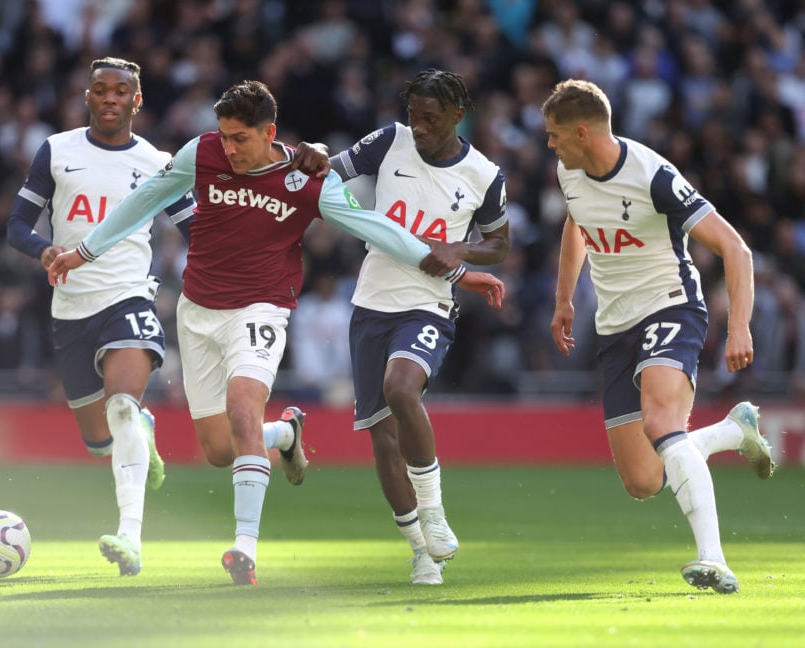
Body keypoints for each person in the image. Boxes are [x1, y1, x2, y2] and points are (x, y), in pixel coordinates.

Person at [48, 80, 505, 585]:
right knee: (220, 451)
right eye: (223, 136)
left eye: (240, 138)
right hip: (198, 312)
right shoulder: (200, 154)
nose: (229, 148)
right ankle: (285, 434)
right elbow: (146, 200)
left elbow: (375, 227)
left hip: (263, 310)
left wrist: (459, 271)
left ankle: (244, 548)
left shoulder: (306, 180)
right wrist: (84, 251)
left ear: (269, 132)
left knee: (244, 411)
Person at [542, 79, 775, 594]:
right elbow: (576, 225)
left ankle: (713, 559)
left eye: (555, 135)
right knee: (644, 480)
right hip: (614, 326)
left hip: (670, 307)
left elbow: (735, 249)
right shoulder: (569, 173)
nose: (550, 145)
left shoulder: (653, 177)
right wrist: (564, 299)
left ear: (582, 131)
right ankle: (733, 433)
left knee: (662, 420)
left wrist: (739, 326)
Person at [6, 57, 195, 577]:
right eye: (99, 90)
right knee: (99, 442)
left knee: (120, 409)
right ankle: (141, 427)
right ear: (87, 97)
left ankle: (130, 537)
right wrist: (44, 250)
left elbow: (196, 228)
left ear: (137, 101)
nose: (109, 98)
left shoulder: (160, 161)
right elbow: (18, 224)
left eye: (120, 91)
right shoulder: (57, 151)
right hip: (71, 308)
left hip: (129, 297)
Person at [326, 69, 510, 585]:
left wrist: (459, 250)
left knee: (402, 388)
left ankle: (433, 510)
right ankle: (420, 551)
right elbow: (332, 172)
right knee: (383, 441)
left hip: (428, 303)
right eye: (414, 116)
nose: (420, 127)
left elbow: (500, 244)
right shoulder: (389, 140)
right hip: (371, 301)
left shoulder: (483, 174)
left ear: (457, 115)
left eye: (431, 118)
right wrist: (313, 161)